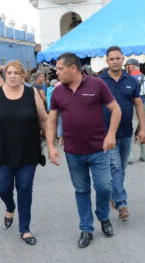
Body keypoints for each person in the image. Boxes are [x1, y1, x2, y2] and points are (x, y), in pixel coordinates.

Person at [47, 52, 121, 249]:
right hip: (73, 152)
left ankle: (104, 217)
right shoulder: (57, 92)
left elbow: (116, 109)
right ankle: (86, 228)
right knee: (82, 190)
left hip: (99, 148)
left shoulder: (97, 85)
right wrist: (51, 146)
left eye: (60, 69)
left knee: (104, 186)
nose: (57, 72)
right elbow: (52, 120)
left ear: (73, 68)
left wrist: (111, 134)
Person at [0, 60, 48, 245]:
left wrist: (51, 145)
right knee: (2, 188)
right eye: (9, 73)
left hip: (28, 151)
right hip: (2, 152)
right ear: (4, 75)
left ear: (23, 75)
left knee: (25, 188)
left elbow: (44, 120)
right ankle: (10, 206)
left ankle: (25, 229)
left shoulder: (31, 92)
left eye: (16, 73)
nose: (12, 76)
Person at [100, 46, 145, 221]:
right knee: (115, 167)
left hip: (126, 132)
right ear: (107, 61)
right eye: (111, 59)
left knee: (122, 168)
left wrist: (143, 128)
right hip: (108, 133)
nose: (115, 61)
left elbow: (139, 105)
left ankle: (114, 195)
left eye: (118, 58)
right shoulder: (101, 81)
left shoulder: (131, 81)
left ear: (123, 59)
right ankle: (121, 204)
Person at [124, 58, 145, 163]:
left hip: (135, 106)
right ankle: (144, 155)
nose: (126, 68)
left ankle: (129, 157)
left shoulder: (130, 78)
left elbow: (129, 93)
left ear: (132, 66)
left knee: (131, 130)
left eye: (127, 66)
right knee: (143, 130)